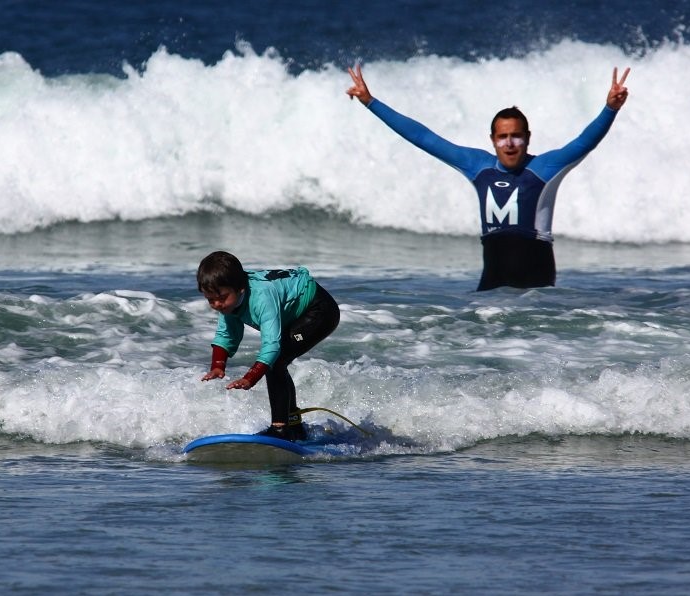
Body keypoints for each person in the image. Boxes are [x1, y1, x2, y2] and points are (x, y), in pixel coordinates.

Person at [346, 64, 630, 291]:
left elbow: (584, 142)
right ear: (492, 140)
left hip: (537, 287)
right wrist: (371, 102)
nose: (509, 143)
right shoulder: (478, 166)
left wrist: (610, 109)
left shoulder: (544, 168)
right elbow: (423, 136)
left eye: (516, 136)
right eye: (503, 137)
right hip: (492, 283)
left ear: (527, 138)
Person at [198, 250, 340, 441]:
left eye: (221, 298)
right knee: (277, 362)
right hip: (295, 314)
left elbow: (271, 346)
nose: (216, 304)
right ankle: (293, 426)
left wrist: (251, 377)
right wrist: (217, 365)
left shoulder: (261, 297)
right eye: (210, 300)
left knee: (275, 361)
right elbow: (226, 333)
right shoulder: (229, 303)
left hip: (320, 311)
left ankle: (280, 430)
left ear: (240, 288)